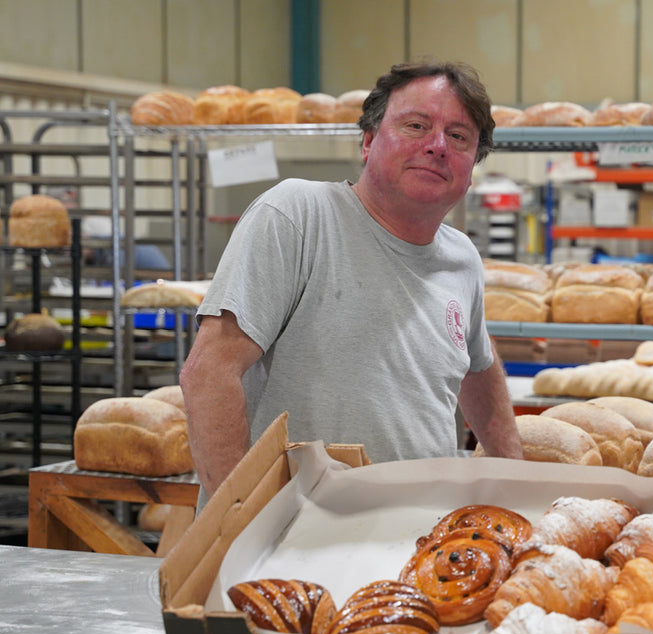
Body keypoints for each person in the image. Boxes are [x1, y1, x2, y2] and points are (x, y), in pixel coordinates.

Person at [179, 60, 524, 499]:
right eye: (416, 126)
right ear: (367, 141)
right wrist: (241, 521)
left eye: (458, 137)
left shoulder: (462, 257)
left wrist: (516, 481)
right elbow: (209, 373)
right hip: (296, 539)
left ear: (471, 169)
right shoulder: (298, 215)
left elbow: (479, 365)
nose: (437, 145)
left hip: (413, 536)